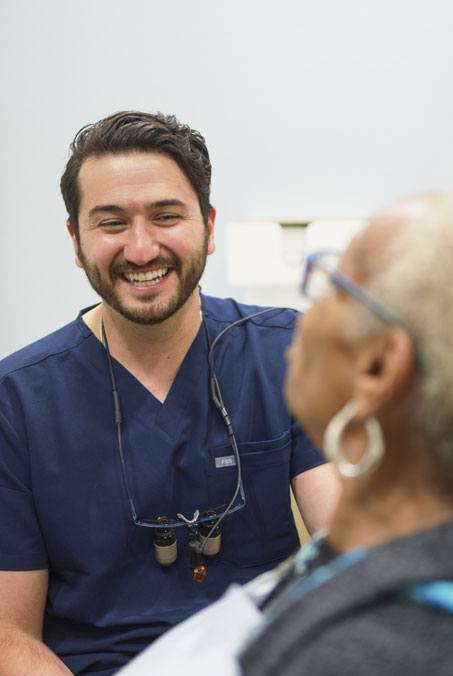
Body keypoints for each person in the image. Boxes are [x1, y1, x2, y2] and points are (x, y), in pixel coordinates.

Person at [0, 111, 338, 675]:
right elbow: (9, 634)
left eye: (166, 216)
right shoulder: (18, 403)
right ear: (76, 241)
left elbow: (356, 552)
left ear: (207, 224)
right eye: (110, 223)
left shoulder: (289, 354)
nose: (140, 248)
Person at [239, 192, 453, 675]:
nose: (303, 311)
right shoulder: (368, 554)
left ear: (379, 368)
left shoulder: (369, 653)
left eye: (335, 286)